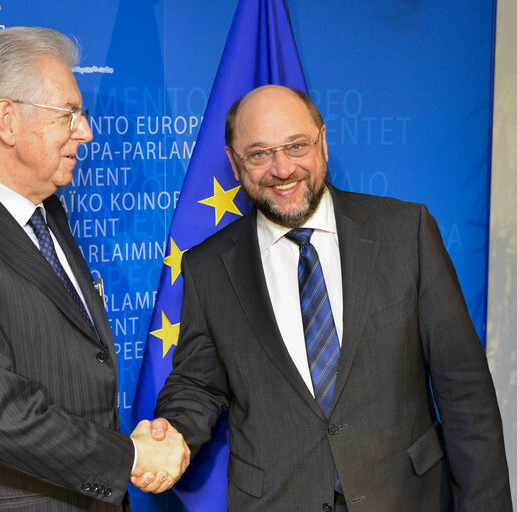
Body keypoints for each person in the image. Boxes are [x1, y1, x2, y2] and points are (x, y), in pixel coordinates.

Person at [152, 85, 512, 511]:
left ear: (322, 143)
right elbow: (198, 383)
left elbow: (464, 390)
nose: (282, 169)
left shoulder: (405, 232)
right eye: (259, 153)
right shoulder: (208, 268)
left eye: (296, 145)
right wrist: (170, 433)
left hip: (405, 497)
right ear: (234, 164)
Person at [0, 27, 188, 512]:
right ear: (7, 120)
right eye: (68, 115)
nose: (85, 132)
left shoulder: (48, 212)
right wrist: (131, 455)